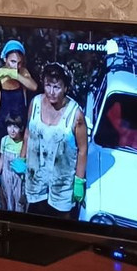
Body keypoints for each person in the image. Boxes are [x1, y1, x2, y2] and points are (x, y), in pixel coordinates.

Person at [24, 60, 88, 218]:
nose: (51, 92)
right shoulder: (35, 103)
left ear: (65, 88)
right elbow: (28, 132)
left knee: (59, 224)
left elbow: (82, 149)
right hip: (36, 177)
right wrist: (21, 158)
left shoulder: (75, 115)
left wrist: (79, 181)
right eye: (48, 85)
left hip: (62, 182)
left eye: (56, 87)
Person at [0, 117, 28, 212]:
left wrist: (25, 169)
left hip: (19, 179)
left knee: (20, 204)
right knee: (8, 202)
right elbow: (1, 158)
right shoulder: (4, 140)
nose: (12, 130)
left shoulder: (25, 144)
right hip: (6, 177)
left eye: (16, 127)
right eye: (9, 126)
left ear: (21, 128)